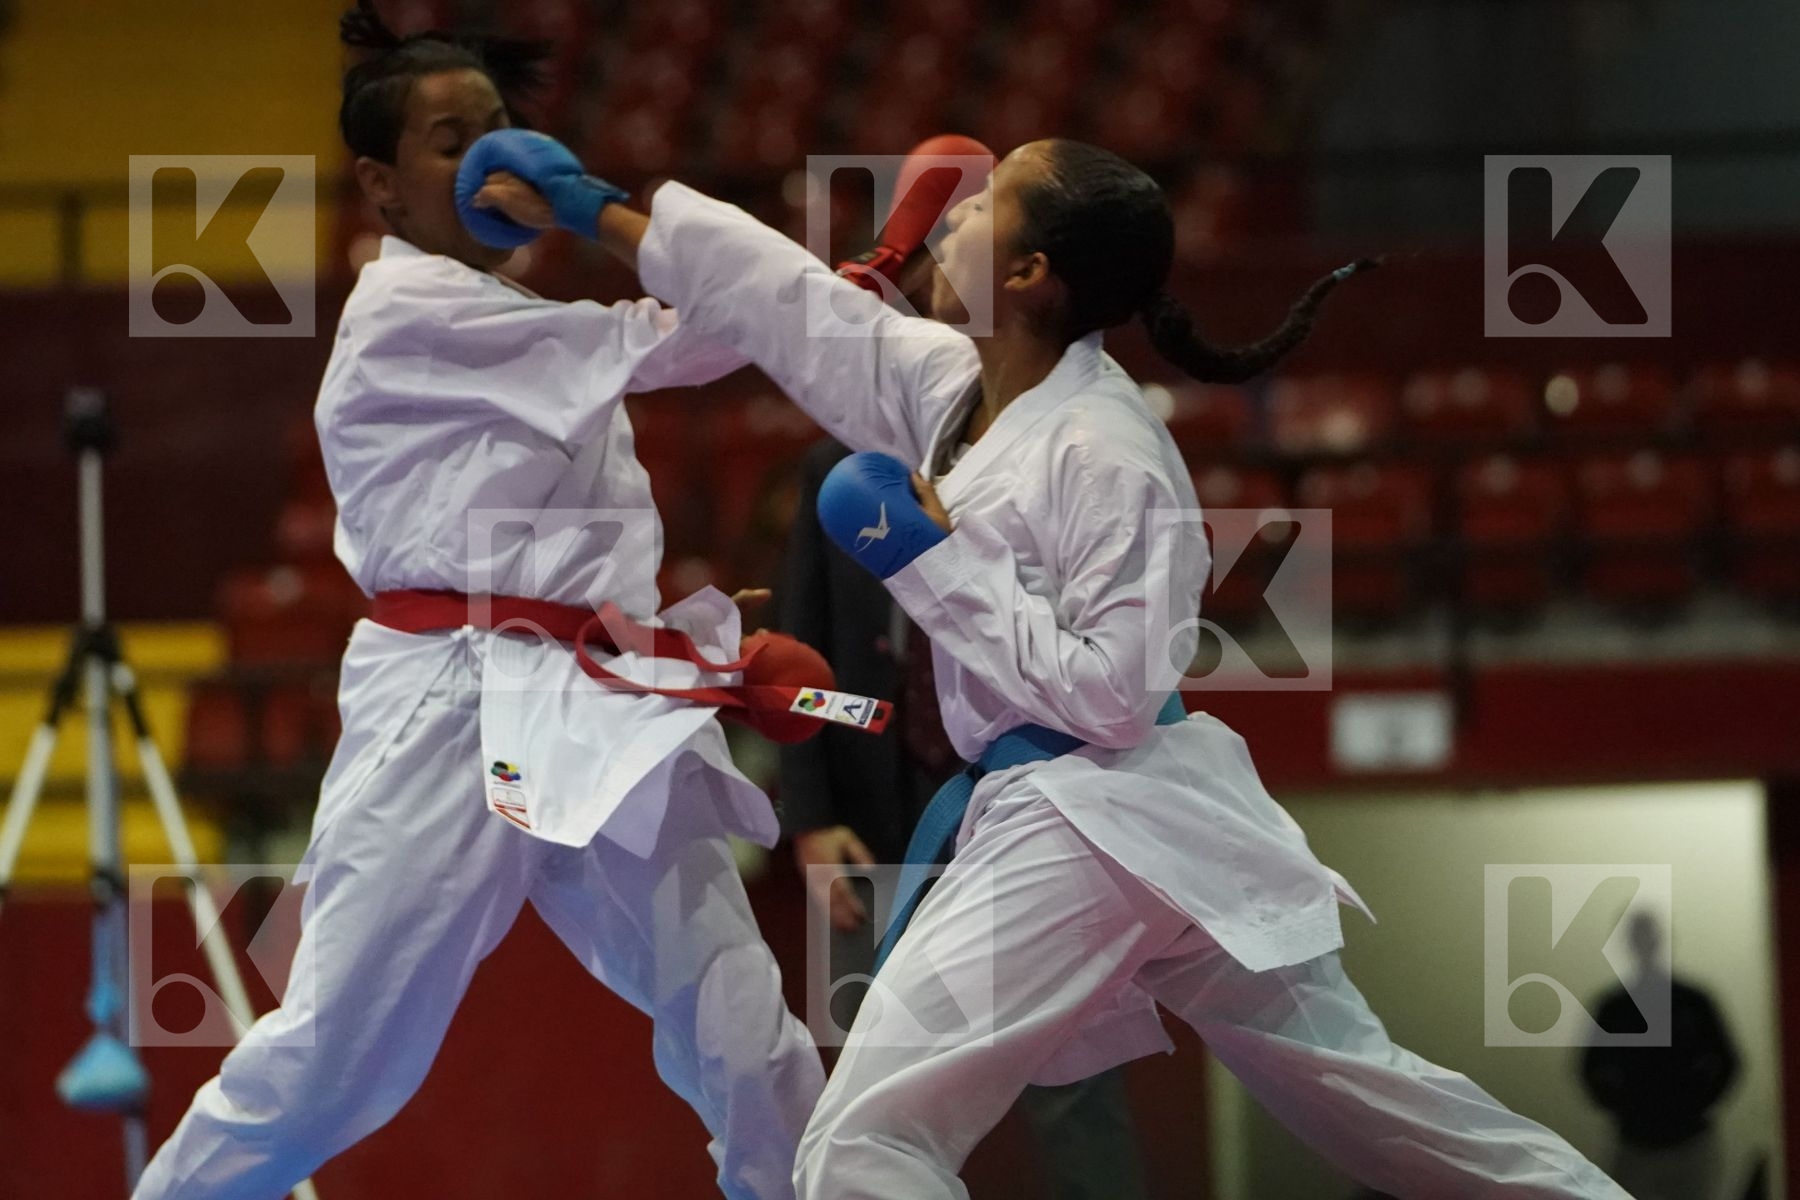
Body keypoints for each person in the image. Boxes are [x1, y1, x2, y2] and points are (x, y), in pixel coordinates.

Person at [462, 131, 1631, 1198]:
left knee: (864, 1141)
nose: (955, 215)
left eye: (983, 210)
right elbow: (795, 309)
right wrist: (604, 212)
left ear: (1029, 277)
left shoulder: (1110, 450)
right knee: (1371, 1096)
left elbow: (1114, 695)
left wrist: (931, 562)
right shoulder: (954, 391)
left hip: (1087, 806)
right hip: (1135, 821)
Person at [133, 9, 824, 1198]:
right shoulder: (411, 310)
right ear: (381, 187)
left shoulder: (525, 330)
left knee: (744, 1028)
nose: (495, 164)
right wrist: (626, 217)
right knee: (337, 1063)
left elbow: (583, 531)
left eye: (503, 133)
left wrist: (666, 638)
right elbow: (689, 341)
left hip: (597, 697)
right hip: (448, 711)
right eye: (452, 144)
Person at [781, 437, 1149, 1200]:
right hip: (870, 820)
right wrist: (809, 818)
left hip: (1032, 800)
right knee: (864, 1092)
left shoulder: (1045, 448)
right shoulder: (836, 469)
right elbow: (802, 646)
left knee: (1073, 1082)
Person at [1582, 911, 1741, 1200]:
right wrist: (1624, 1107)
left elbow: (1729, 1062)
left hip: (1687, 1140)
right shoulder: (1615, 1007)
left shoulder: (1692, 1002)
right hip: (1636, 1141)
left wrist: (1697, 1102)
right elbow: (1589, 1069)